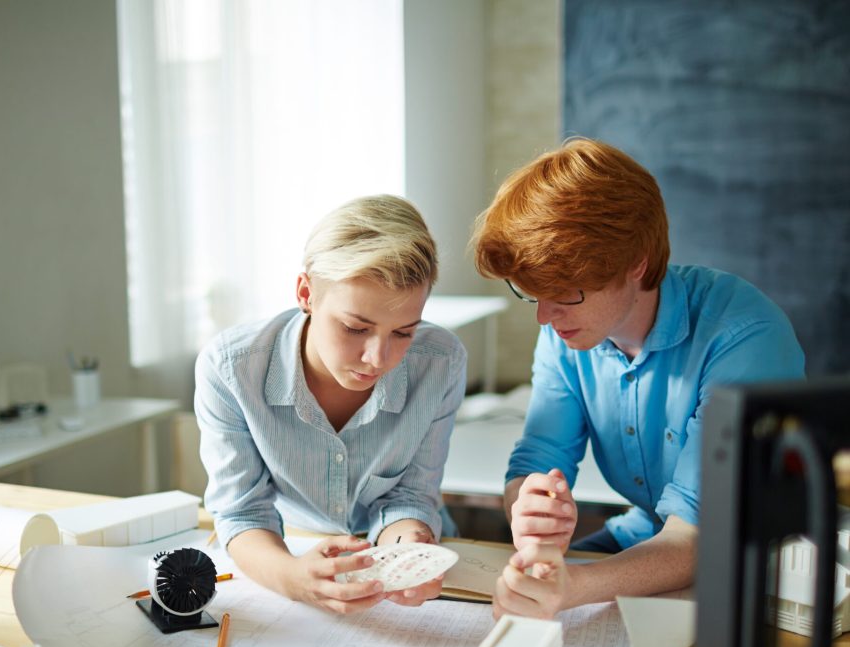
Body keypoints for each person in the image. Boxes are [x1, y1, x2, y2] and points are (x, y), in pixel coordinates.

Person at [471, 137, 805, 619]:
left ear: (636, 264)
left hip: (767, 565)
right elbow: (537, 459)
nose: (545, 317)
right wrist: (528, 510)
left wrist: (577, 585)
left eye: (565, 293)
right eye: (533, 294)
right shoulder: (569, 332)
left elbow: (697, 535)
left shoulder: (744, 338)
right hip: (647, 536)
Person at [195, 195, 467, 614]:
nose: (378, 358)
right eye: (356, 327)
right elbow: (242, 512)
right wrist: (292, 579)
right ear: (306, 292)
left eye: (403, 333)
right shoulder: (231, 368)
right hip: (288, 550)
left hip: (410, 553)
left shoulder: (440, 361)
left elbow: (411, 495)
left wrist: (408, 550)